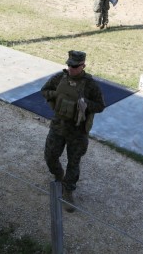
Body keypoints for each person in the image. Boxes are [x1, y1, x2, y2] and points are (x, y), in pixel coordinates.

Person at [42, 50, 105, 213]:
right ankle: (58, 175)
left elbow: (100, 105)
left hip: (77, 131)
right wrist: (56, 95)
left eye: (75, 66)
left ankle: (68, 191)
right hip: (58, 126)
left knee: (74, 162)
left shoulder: (90, 85)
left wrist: (87, 104)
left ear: (83, 65)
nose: (71, 69)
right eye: (69, 65)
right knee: (50, 155)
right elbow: (44, 90)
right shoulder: (59, 78)